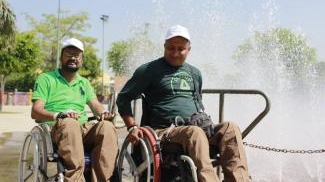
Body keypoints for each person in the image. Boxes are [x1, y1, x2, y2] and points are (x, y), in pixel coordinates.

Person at [116, 25, 251, 182]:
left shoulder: (195, 73)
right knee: (194, 133)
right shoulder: (148, 70)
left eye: (181, 49)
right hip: (163, 132)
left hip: (194, 128)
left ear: (189, 49)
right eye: (171, 48)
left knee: (230, 128)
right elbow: (123, 98)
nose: (175, 53)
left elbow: (198, 103)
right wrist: (132, 126)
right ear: (164, 47)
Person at [31, 38, 118, 182]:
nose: (73, 58)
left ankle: (103, 179)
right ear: (61, 57)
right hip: (59, 127)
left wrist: (103, 113)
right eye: (69, 54)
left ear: (81, 59)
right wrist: (59, 115)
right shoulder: (46, 79)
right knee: (70, 123)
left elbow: (95, 104)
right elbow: (35, 111)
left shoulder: (84, 83)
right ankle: (75, 179)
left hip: (82, 127)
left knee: (107, 127)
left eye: (77, 55)